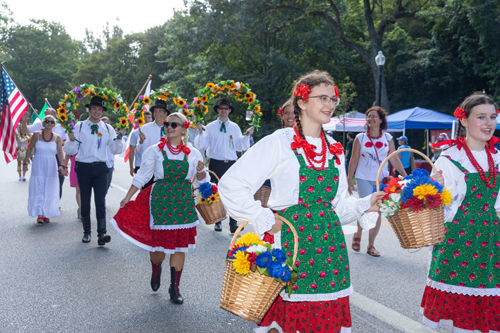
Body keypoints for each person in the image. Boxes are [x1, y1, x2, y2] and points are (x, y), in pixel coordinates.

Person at [219, 70, 385, 333]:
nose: (330, 105)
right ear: (302, 102)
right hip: (290, 245)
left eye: (333, 99)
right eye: (323, 98)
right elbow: (231, 184)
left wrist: (365, 204)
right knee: (284, 321)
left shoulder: (334, 149)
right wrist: (262, 216)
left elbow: (337, 207)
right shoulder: (279, 143)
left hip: (329, 250)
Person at [420, 93, 500, 332]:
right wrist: (434, 193)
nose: (488, 123)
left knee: (483, 316)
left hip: (490, 241)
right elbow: (441, 212)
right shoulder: (449, 159)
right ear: (464, 121)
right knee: (461, 319)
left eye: (493, 117)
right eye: (481, 117)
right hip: (458, 241)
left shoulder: (497, 158)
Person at [112, 112, 209, 304]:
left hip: (183, 203)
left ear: (183, 129)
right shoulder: (155, 150)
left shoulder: (194, 153)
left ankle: (174, 288)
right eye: (167, 124)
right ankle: (156, 268)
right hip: (161, 202)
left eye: (174, 124)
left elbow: (202, 182)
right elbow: (143, 177)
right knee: (159, 250)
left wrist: (200, 172)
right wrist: (127, 196)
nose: (169, 127)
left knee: (180, 247)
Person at [63, 96, 126, 245]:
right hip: (84, 167)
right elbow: (71, 149)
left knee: (100, 201)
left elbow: (114, 149)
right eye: (94, 109)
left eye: (100, 109)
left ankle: (102, 234)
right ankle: (86, 232)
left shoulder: (108, 128)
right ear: (89, 110)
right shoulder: (79, 126)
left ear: (102, 111)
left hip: (100, 168)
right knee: (85, 200)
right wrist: (71, 139)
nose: (97, 112)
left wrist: (119, 138)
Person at [347, 106, 407, 257]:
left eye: (373, 116)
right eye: (368, 116)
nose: (370, 119)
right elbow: (353, 159)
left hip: (382, 180)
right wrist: (349, 179)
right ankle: (358, 232)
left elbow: (394, 158)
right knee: (366, 207)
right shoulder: (360, 137)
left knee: (378, 211)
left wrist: (406, 176)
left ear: (381, 120)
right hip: (363, 178)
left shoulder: (388, 138)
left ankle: (371, 245)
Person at [195, 97, 254, 233]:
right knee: (216, 192)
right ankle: (218, 221)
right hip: (215, 163)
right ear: (218, 110)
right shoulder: (210, 127)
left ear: (229, 111)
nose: (223, 111)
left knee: (232, 192)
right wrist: (200, 132)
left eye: (226, 108)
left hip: (231, 164)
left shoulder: (234, 127)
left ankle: (233, 222)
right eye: (221, 108)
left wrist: (247, 136)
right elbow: (202, 145)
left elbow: (239, 146)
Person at [24, 115, 67, 224]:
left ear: (54, 124)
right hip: (38, 164)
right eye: (47, 121)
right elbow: (30, 149)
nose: (49, 123)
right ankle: (39, 213)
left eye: (52, 122)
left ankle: (46, 213)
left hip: (51, 164)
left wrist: (61, 165)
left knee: (49, 188)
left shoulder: (57, 137)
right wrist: (25, 162)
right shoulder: (37, 135)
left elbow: (60, 152)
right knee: (39, 187)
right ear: (43, 123)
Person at [21, 108, 68, 199]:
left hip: (55, 157)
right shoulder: (39, 126)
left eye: (50, 119)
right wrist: (24, 121)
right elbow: (25, 130)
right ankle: (41, 201)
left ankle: (55, 201)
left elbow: (65, 142)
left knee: (58, 179)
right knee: (40, 180)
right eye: (45, 117)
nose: (48, 122)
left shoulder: (61, 126)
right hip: (40, 158)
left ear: (55, 116)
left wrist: (55, 143)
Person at [135, 100, 170, 189]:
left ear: (165, 113)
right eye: (155, 111)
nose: (157, 113)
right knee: (146, 196)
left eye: (160, 111)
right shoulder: (146, 127)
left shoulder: (170, 127)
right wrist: (141, 141)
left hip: (165, 168)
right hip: (149, 168)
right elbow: (139, 150)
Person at [128, 110, 152, 176]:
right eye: (145, 117)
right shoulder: (135, 133)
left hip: (152, 165)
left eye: (149, 117)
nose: (147, 119)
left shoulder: (154, 132)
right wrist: (131, 167)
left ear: (151, 119)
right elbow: (131, 151)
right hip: (139, 165)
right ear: (141, 119)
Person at [64, 153, 81, 219]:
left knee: (85, 191)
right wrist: (65, 167)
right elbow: (67, 154)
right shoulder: (74, 142)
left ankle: (83, 209)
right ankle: (81, 209)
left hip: (88, 167)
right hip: (76, 167)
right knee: (78, 189)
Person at [16, 112, 32, 181]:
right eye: (21, 129)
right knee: (19, 163)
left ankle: (24, 175)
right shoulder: (17, 135)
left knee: (25, 163)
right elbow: (13, 131)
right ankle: (20, 176)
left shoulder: (28, 136)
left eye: (24, 129)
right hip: (19, 150)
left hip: (25, 151)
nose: (23, 131)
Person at [101, 117, 115, 194]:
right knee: (101, 183)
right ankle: (102, 199)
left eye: (107, 123)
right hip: (100, 163)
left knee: (108, 183)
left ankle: (103, 196)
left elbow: (113, 151)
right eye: (103, 123)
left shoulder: (112, 135)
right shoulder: (98, 134)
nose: (105, 125)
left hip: (109, 164)